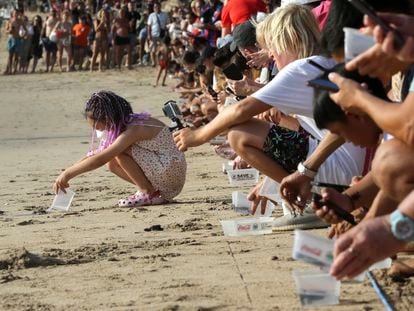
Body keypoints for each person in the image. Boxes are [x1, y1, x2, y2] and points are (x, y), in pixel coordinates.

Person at [173, 4, 366, 230]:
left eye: (272, 47)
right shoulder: (321, 63)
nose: (271, 55)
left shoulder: (300, 69)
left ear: (290, 40)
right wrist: (268, 184)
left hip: (340, 171)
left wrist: (197, 136)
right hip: (351, 167)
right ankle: (309, 194)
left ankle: (310, 201)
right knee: (269, 121)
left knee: (240, 133)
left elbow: (239, 111)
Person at [53, 91, 187, 207]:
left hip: (170, 171)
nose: (95, 130)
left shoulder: (134, 128)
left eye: (96, 126)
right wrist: (66, 173)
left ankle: (147, 192)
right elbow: (95, 154)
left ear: (108, 119)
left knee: (117, 153)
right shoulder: (123, 124)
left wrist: (67, 175)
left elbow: (100, 158)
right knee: (112, 164)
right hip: (166, 171)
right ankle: (153, 192)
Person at [147, 1, 168, 67]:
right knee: (152, 49)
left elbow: (167, 24)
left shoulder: (165, 14)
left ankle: (162, 62)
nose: (157, 8)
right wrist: (149, 34)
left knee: (164, 49)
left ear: (160, 7)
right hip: (154, 34)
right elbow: (149, 26)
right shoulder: (151, 15)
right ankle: (153, 62)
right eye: (155, 7)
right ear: (153, 8)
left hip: (162, 34)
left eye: (158, 6)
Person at [4, 9, 24, 75]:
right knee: (10, 56)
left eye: (17, 13)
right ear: (12, 14)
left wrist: (24, 34)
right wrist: (9, 30)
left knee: (16, 56)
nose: (16, 14)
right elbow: (5, 31)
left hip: (18, 39)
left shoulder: (20, 21)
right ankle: (9, 70)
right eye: (14, 13)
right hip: (11, 39)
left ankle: (14, 69)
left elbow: (25, 29)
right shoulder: (9, 21)